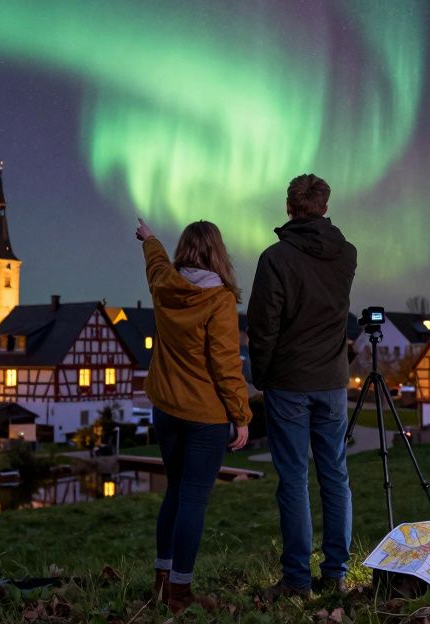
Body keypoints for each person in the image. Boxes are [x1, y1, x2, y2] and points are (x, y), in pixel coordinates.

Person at [248, 174, 357, 598]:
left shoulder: (275, 259)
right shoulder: (346, 254)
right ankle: (336, 573)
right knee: (335, 475)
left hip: (289, 382)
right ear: (325, 207)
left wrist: (262, 375)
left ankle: (296, 580)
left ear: (289, 207)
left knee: (293, 478)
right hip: (331, 380)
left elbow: (263, 325)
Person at [136, 217, 252, 613]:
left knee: (174, 491)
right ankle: (181, 596)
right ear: (218, 253)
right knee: (193, 500)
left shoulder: (164, 285)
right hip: (205, 416)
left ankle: (162, 582)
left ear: (184, 249)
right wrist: (241, 414)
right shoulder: (218, 300)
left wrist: (150, 240)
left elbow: (155, 265)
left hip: (166, 410)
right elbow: (224, 362)